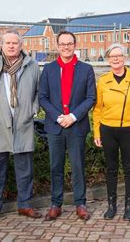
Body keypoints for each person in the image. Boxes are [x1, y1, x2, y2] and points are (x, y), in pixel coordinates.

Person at [0, 29, 42, 222]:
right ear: (2, 45)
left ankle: (25, 205)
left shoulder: (32, 65)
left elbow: (39, 92)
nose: (12, 46)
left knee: (25, 168)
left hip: (23, 122)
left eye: (15, 43)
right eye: (8, 43)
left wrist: (33, 110)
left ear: (21, 46)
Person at [38, 30, 96, 221]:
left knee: (78, 166)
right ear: (57, 46)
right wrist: (57, 117)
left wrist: (73, 116)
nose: (65, 47)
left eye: (69, 43)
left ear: (75, 45)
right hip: (55, 126)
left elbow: (90, 98)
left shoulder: (86, 69)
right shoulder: (48, 69)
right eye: (62, 44)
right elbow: (43, 98)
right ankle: (56, 204)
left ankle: (80, 203)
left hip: (76, 126)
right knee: (56, 166)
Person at [92, 43, 130, 220]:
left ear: (124, 57)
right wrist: (97, 132)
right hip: (108, 130)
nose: (115, 59)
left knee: (129, 168)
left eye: (119, 55)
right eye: (112, 56)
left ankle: (129, 206)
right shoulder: (102, 81)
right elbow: (98, 109)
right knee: (111, 169)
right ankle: (111, 205)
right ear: (108, 60)